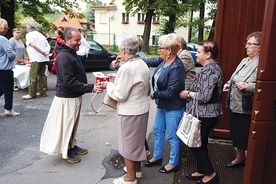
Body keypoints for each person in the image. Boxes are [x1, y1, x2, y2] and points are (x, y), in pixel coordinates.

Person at [40, 27, 103, 163]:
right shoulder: (64, 56)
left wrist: (88, 87)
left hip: (74, 95)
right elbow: (69, 81)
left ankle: (71, 145)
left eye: (80, 39)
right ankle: (65, 151)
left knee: (72, 124)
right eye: (77, 40)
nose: (79, 42)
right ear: (67, 39)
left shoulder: (71, 53)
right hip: (67, 97)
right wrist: (91, 87)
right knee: (66, 125)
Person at [105, 33, 150, 184]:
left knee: (128, 146)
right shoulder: (142, 63)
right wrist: (116, 78)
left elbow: (120, 95)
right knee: (137, 143)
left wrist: (108, 85)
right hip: (142, 109)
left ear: (124, 50)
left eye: (120, 50)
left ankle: (130, 179)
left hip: (130, 111)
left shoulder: (128, 67)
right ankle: (137, 172)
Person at [179, 40, 223, 184]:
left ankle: (211, 175)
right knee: (201, 143)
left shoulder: (210, 70)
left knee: (194, 144)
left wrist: (188, 94)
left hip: (205, 115)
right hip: (206, 114)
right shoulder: (211, 68)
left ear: (208, 54)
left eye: (198, 52)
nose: (195, 55)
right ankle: (201, 170)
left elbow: (204, 97)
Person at [144, 33, 186, 174]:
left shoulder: (177, 67)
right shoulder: (164, 61)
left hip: (173, 106)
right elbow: (148, 61)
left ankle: (174, 163)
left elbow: (170, 92)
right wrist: (132, 59)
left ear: (169, 50)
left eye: (160, 47)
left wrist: (154, 94)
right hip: (162, 105)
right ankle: (157, 156)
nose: (158, 50)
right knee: (158, 131)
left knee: (172, 136)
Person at [223, 31, 262, 169]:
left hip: (247, 106)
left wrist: (248, 86)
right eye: (247, 43)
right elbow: (235, 76)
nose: (247, 46)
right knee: (237, 134)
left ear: (260, 47)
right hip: (235, 103)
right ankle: (240, 158)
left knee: (246, 136)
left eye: (251, 44)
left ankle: (250, 162)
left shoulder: (262, 63)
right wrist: (228, 83)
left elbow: (264, 85)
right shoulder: (244, 60)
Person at [22, 22, 50, 100]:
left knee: (33, 76)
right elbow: (48, 45)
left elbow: (33, 45)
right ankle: (42, 92)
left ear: (28, 28)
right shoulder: (40, 35)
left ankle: (32, 93)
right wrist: (46, 52)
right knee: (42, 75)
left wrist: (42, 52)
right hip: (44, 58)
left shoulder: (29, 35)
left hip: (36, 58)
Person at [0, 18, 20, 117]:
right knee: (7, 89)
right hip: (5, 68)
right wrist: (14, 55)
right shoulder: (2, 39)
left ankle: (8, 108)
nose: (7, 28)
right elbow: (10, 54)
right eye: (6, 26)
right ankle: (9, 109)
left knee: (1, 88)